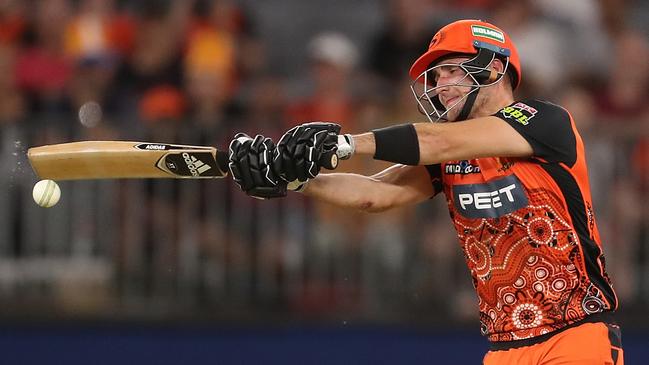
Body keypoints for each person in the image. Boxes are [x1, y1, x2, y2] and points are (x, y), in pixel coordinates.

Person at [227, 19, 623, 365]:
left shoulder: (545, 121)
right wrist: (292, 179)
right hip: (505, 349)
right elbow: (376, 193)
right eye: (434, 78)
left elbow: (440, 142)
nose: (438, 86)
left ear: (494, 67)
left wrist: (343, 145)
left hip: (576, 337)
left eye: (449, 71)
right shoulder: (449, 152)